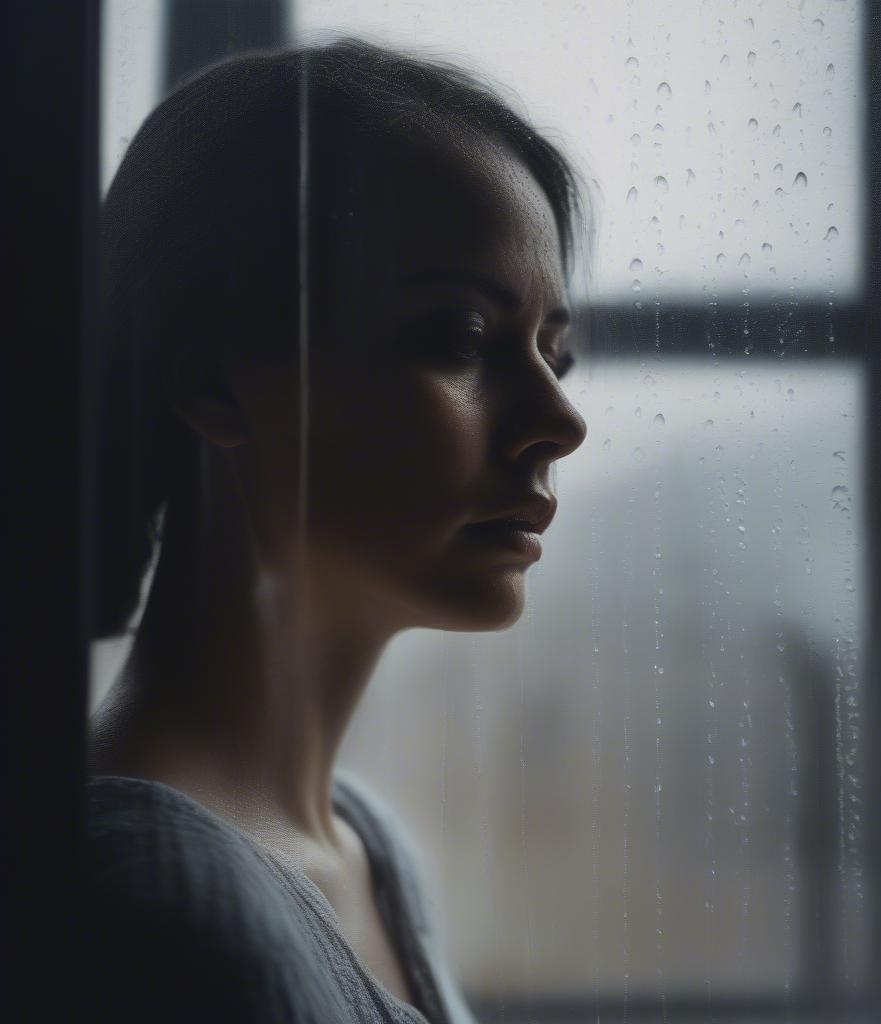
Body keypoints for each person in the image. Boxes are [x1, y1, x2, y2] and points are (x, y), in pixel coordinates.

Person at [85, 38, 588, 1024]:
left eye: (553, 355)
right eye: (461, 338)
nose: (560, 422)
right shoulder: (161, 908)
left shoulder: (368, 848)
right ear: (217, 382)